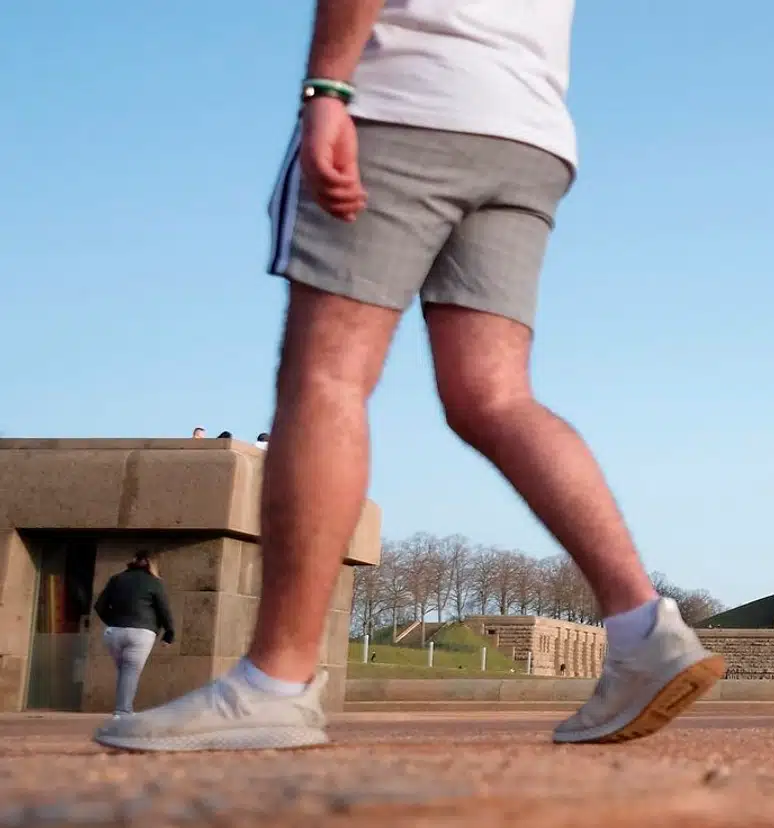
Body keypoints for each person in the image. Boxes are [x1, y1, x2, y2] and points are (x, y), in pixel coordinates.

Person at [94, 0, 724, 754]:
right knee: (495, 395)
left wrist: (327, 89)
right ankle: (644, 627)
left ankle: (276, 683)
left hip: (404, 105)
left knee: (327, 379)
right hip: (528, 130)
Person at [92, 552, 175, 717]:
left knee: (125, 671)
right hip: (141, 633)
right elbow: (164, 610)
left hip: (114, 632)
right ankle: (122, 712)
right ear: (151, 564)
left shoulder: (116, 579)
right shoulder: (154, 582)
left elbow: (99, 606)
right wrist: (169, 634)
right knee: (129, 671)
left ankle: (124, 708)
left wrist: (114, 621)